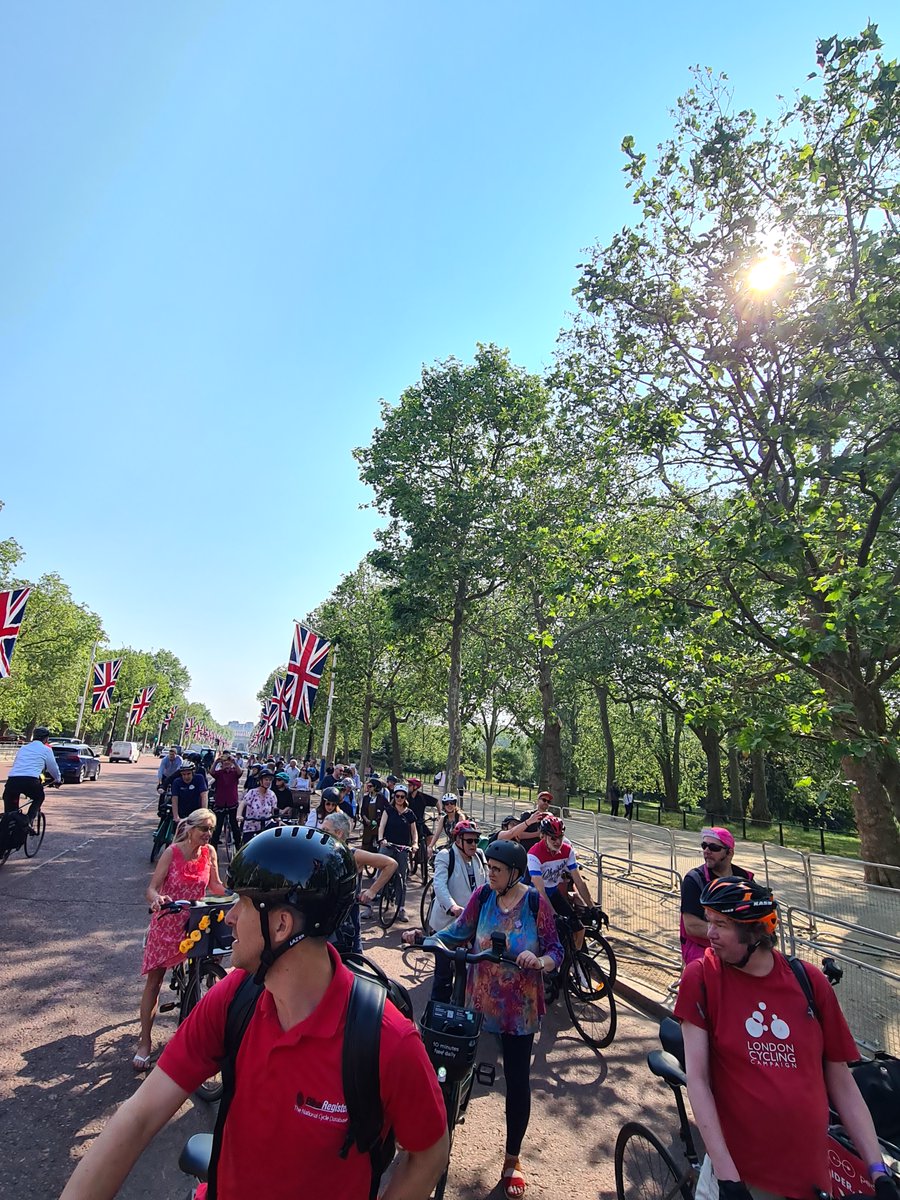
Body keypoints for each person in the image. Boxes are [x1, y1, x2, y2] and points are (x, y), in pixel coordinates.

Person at [61, 826, 449, 1200]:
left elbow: (430, 1154)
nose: (229, 917)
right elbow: (140, 1115)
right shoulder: (236, 997)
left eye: (242, 903)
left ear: (281, 925)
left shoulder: (386, 1039)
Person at [675, 876, 897, 1200]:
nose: (709, 933)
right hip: (743, 1176)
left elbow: (842, 1083)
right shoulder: (702, 977)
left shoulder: (810, 982)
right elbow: (698, 1080)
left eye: (720, 924)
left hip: (810, 1176)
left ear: (754, 931)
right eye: (709, 921)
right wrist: (727, 1177)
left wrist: (878, 1171)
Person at [433, 839, 563, 1200]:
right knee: (450, 1069)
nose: (489, 874)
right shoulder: (483, 896)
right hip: (478, 1003)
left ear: (515, 873)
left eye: (496, 870)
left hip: (518, 1012)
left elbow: (556, 949)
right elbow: (459, 931)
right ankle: (437, 1140)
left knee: (517, 1082)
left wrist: (540, 962)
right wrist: (428, 939)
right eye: (488, 867)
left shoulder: (534, 903)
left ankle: (512, 1159)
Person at [134, 808, 226, 1071]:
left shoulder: (209, 853)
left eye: (211, 829)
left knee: (207, 962)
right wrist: (158, 900)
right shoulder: (171, 852)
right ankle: (145, 1042)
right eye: (204, 829)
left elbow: (215, 886)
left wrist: (238, 894)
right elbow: (151, 889)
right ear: (191, 829)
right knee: (154, 982)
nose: (208, 834)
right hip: (168, 921)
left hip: (196, 922)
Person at [407, 820, 488, 999]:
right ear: (458, 840)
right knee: (443, 975)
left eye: (476, 840)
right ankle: (437, 1008)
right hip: (447, 922)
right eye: (469, 841)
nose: (474, 845)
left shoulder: (480, 856)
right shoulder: (446, 855)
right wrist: (452, 906)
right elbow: (439, 885)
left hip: (472, 924)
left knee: (472, 972)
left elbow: (488, 884)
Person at [321, 809, 398, 952]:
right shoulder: (321, 853)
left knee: (353, 958)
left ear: (338, 833)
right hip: (324, 919)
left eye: (325, 830)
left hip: (347, 919)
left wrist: (372, 891)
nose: (321, 833)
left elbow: (391, 864)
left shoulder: (354, 855)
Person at [680, 827, 753, 965]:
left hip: (738, 952)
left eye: (713, 847)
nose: (707, 851)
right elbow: (691, 926)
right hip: (703, 954)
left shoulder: (745, 880)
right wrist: (732, 935)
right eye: (704, 846)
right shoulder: (694, 880)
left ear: (730, 852)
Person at [526, 816, 595, 952]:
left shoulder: (567, 851)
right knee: (551, 933)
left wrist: (592, 907)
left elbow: (579, 881)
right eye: (553, 838)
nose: (558, 842)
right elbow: (540, 891)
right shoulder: (534, 854)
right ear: (543, 836)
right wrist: (554, 915)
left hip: (553, 892)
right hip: (535, 897)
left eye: (560, 837)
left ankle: (574, 959)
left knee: (579, 929)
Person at [2, 726, 61, 822]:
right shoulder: (46, 750)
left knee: (10, 812)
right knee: (39, 797)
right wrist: (58, 779)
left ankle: (9, 823)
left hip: (13, 780)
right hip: (31, 781)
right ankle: (28, 821)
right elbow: (53, 768)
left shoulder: (23, 748)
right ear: (46, 739)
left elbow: (16, 764)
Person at [378, 781, 418, 922]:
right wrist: (381, 839)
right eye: (397, 796)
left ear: (405, 797)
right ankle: (370, 903)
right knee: (380, 872)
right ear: (394, 796)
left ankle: (401, 908)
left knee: (402, 878)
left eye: (402, 796)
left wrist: (415, 844)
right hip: (388, 845)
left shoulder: (409, 813)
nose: (399, 799)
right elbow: (382, 826)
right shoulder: (388, 810)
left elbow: (414, 831)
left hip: (402, 847)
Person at [210, 750, 243, 853]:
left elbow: (240, 772)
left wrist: (234, 762)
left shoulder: (234, 773)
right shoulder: (219, 773)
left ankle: (238, 847)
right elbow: (211, 772)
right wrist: (216, 762)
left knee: (235, 826)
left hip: (232, 803)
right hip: (220, 803)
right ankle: (213, 849)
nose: (227, 764)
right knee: (217, 828)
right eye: (225, 762)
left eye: (228, 762)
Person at [237, 767, 279, 840]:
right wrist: (239, 815)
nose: (268, 782)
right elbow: (242, 804)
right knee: (249, 845)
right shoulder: (252, 792)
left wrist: (278, 819)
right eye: (266, 779)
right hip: (251, 826)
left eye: (270, 780)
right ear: (260, 781)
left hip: (266, 825)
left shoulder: (272, 794)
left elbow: (274, 810)